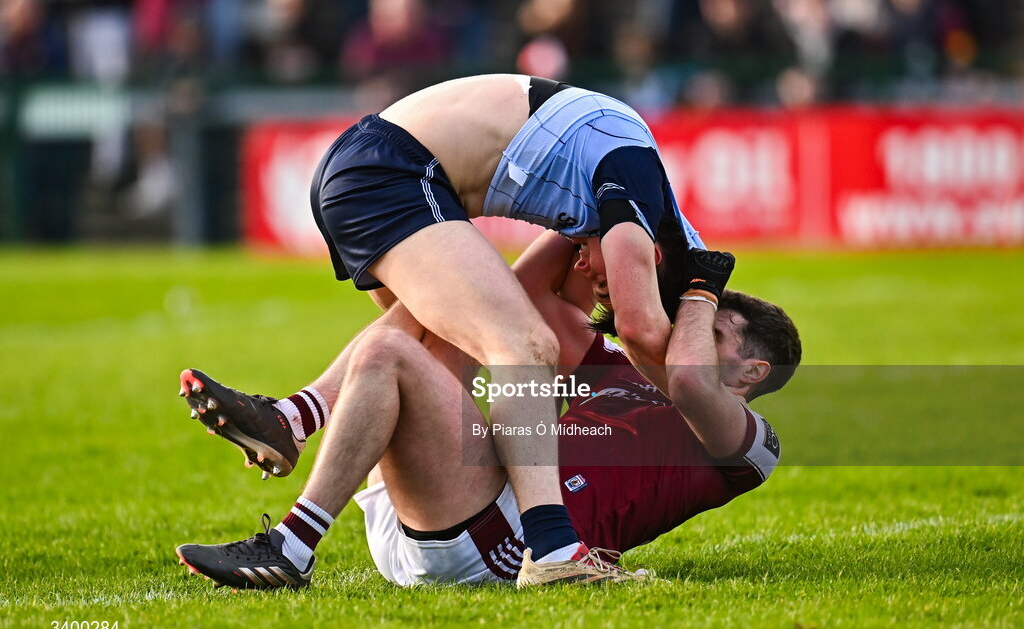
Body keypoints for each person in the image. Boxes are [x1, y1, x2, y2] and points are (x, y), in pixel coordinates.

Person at [196, 74, 702, 582]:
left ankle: (294, 423)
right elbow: (640, 329)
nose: (589, 276)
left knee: (432, 338)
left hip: (368, 161)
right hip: (395, 171)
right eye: (608, 282)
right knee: (524, 345)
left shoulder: (615, 173)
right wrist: (701, 348)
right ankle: (552, 548)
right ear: (652, 255)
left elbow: (512, 287)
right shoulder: (636, 179)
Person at [175, 234, 801, 587]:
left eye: (713, 333)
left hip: (506, 543)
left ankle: (291, 546)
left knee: (391, 351)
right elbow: (512, 294)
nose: (690, 333)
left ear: (752, 373)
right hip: (443, 503)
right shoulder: (615, 364)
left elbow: (693, 385)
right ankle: (296, 417)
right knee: (453, 296)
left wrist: (699, 290)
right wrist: (584, 213)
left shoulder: (750, 443)